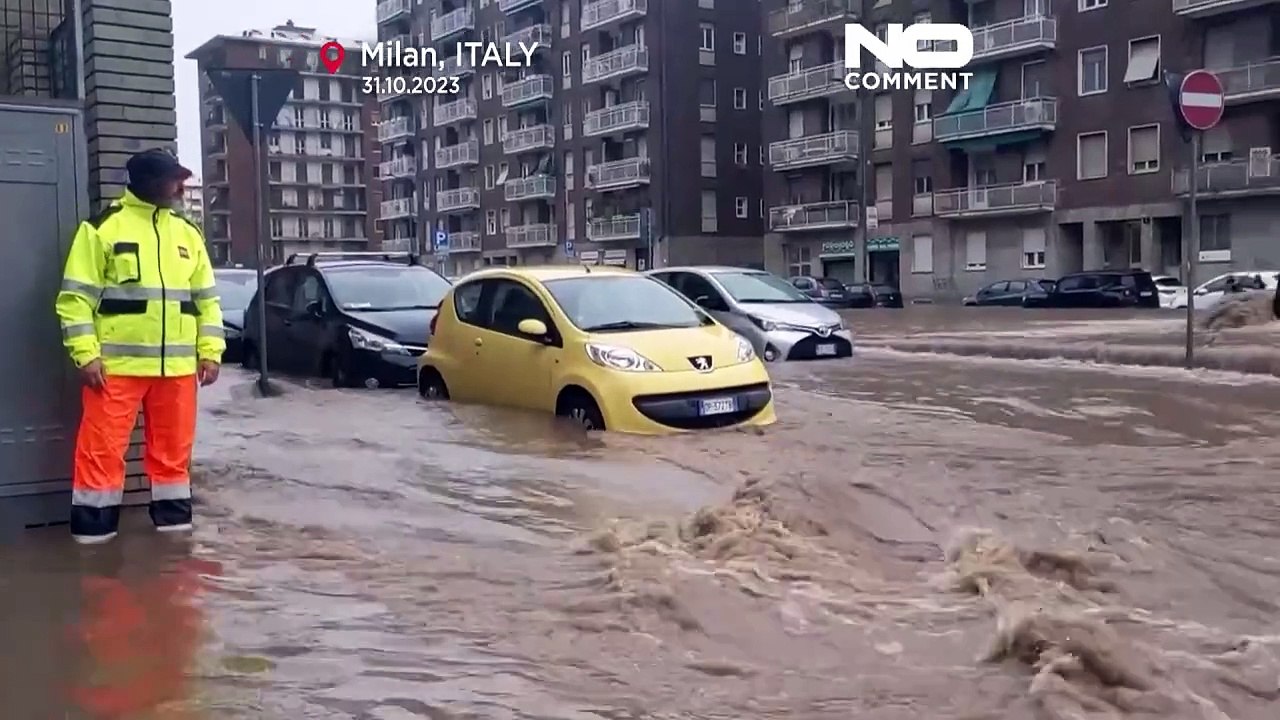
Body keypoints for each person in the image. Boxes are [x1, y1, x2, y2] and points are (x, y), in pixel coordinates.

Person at [55, 149, 224, 544]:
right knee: (100, 452)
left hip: (179, 370)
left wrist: (210, 352)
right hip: (115, 368)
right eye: (174, 180)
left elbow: (207, 301)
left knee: (174, 457)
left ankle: (174, 543)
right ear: (148, 182)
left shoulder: (188, 233)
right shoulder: (102, 229)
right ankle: (92, 548)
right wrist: (86, 355)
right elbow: (74, 299)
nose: (181, 187)